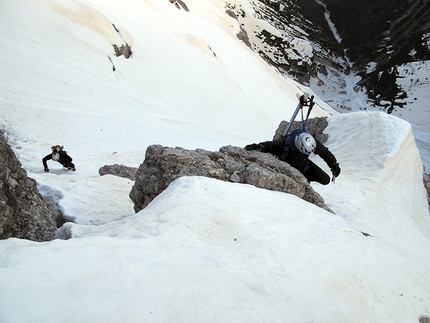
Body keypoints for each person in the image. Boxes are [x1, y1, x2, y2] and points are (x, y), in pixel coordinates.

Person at [245, 129, 340, 185]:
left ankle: (305, 180)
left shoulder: (311, 142)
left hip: (303, 166)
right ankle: (304, 181)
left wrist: (333, 164)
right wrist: (258, 147)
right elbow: (269, 145)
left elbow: (325, 153)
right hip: (288, 168)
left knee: (325, 180)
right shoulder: (284, 144)